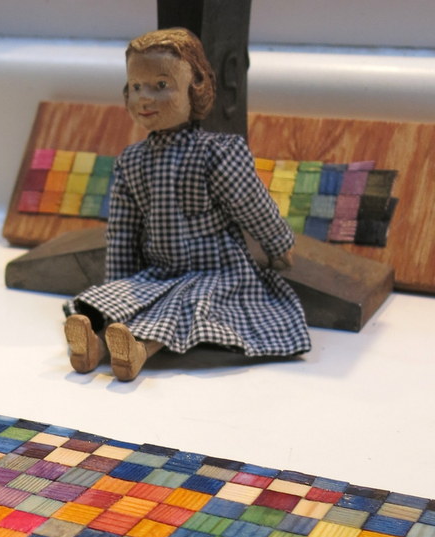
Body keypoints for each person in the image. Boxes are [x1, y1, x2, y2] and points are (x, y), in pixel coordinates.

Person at [64, 28, 311, 382]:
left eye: (161, 85)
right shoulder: (132, 161)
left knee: (187, 305)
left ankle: (138, 351)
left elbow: (251, 203)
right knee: (127, 297)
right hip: (160, 271)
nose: (144, 98)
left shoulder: (217, 153)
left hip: (216, 270)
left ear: (195, 87)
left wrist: (279, 243)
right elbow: (123, 231)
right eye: (136, 86)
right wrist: (120, 284)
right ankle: (94, 347)